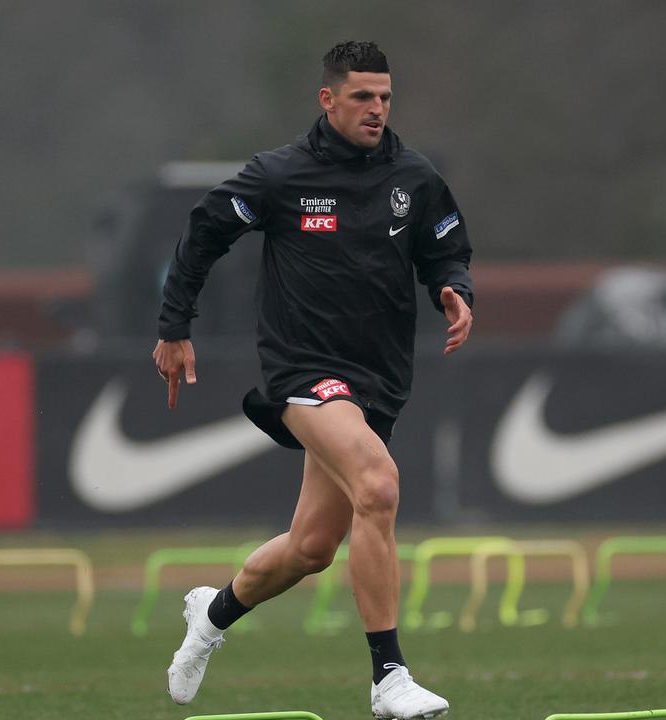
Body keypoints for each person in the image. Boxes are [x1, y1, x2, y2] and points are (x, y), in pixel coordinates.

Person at [151, 41, 472, 720]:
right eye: (361, 96)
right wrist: (174, 326)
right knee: (379, 486)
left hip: (379, 379)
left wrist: (452, 287)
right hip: (304, 372)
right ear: (328, 100)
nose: (376, 109)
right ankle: (389, 678)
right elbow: (205, 231)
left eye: (384, 97)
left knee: (311, 548)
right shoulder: (280, 175)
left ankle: (210, 616)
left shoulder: (413, 178)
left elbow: (444, 245)